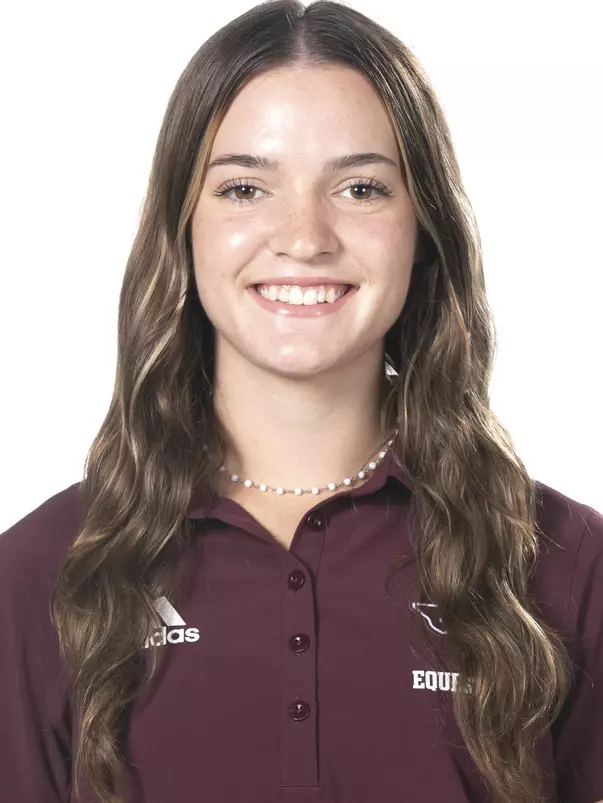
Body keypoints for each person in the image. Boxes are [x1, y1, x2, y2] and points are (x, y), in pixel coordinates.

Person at [0, 1, 601, 801]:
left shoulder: (567, 566)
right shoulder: (42, 570)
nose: (305, 235)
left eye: (359, 187)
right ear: (183, 227)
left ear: (423, 228)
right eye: (245, 187)